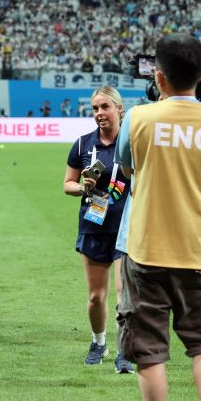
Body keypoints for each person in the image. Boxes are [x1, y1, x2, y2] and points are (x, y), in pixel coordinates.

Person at [114, 34, 201, 401]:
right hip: (198, 248)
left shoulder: (139, 118)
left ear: (159, 77)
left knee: (148, 347)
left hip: (146, 248)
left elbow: (127, 168)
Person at [63, 86, 133, 373]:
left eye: (105, 107)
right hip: (93, 226)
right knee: (95, 297)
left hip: (125, 228)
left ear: (119, 109)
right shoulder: (83, 145)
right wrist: (82, 187)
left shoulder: (132, 144)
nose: (99, 113)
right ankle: (98, 342)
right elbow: (67, 184)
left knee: (123, 295)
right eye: (95, 108)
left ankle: (124, 352)